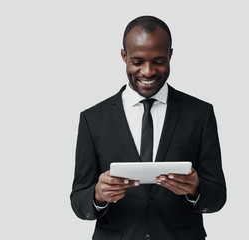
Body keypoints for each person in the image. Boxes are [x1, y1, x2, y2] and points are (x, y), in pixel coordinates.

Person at [70, 15, 226, 240]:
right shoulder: (93, 118)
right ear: (124, 56)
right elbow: (78, 201)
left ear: (171, 55)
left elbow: (218, 195)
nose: (148, 71)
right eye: (137, 61)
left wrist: (195, 189)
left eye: (159, 61)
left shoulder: (200, 114)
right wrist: (98, 195)